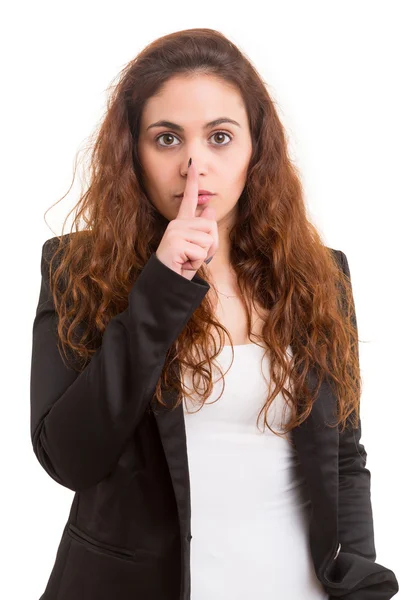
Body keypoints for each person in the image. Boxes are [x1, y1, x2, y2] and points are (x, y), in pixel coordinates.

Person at [30, 28, 398, 600]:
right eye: (168, 138)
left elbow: (344, 459)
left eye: (221, 137)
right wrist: (161, 287)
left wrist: (363, 584)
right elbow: (71, 459)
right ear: (133, 153)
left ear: (256, 150)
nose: (194, 164)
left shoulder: (320, 276)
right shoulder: (76, 269)